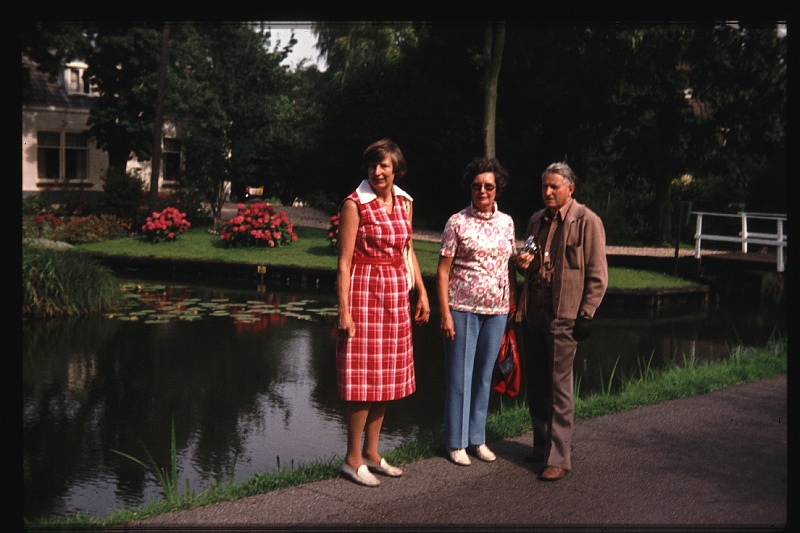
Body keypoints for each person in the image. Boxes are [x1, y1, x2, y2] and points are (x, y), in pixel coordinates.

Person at [336, 139, 431, 487]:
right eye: (374, 166)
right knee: (364, 379)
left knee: (386, 377)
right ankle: (351, 458)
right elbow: (344, 263)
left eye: (385, 166)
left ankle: (373, 453)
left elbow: (408, 250)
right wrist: (343, 311)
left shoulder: (404, 202)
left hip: (395, 293)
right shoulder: (354, 204)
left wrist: (421, 291)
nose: (378, 172)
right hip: (364, 292)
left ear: (396, 170)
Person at [515, 161, 608, 481]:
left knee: (559, 389)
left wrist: (586, 314)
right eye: (544, 186)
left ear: (571, 188)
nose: (548, 192)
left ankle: (559, 458)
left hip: (565, 315)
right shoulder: (535, 221)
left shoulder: (587, 221)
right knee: (538, 385)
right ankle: (541, 447)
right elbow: (527, 266)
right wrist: (522, 263)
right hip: (535, 311)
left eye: (554, 186)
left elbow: (598, 275)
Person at [437, 157, 517, 466]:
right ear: (470, 188)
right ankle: (455, 442)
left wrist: (513, 301)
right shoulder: (457, 221)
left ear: (497, 189)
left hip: (496, 310)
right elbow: (443, 271)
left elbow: (510, 265)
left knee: (484, 376)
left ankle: (477, 439)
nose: (482, 191)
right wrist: (444, 313)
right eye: (476, 186)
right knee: (460, 377)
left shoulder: (507, 223)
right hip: (461, 308)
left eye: (488, 186)